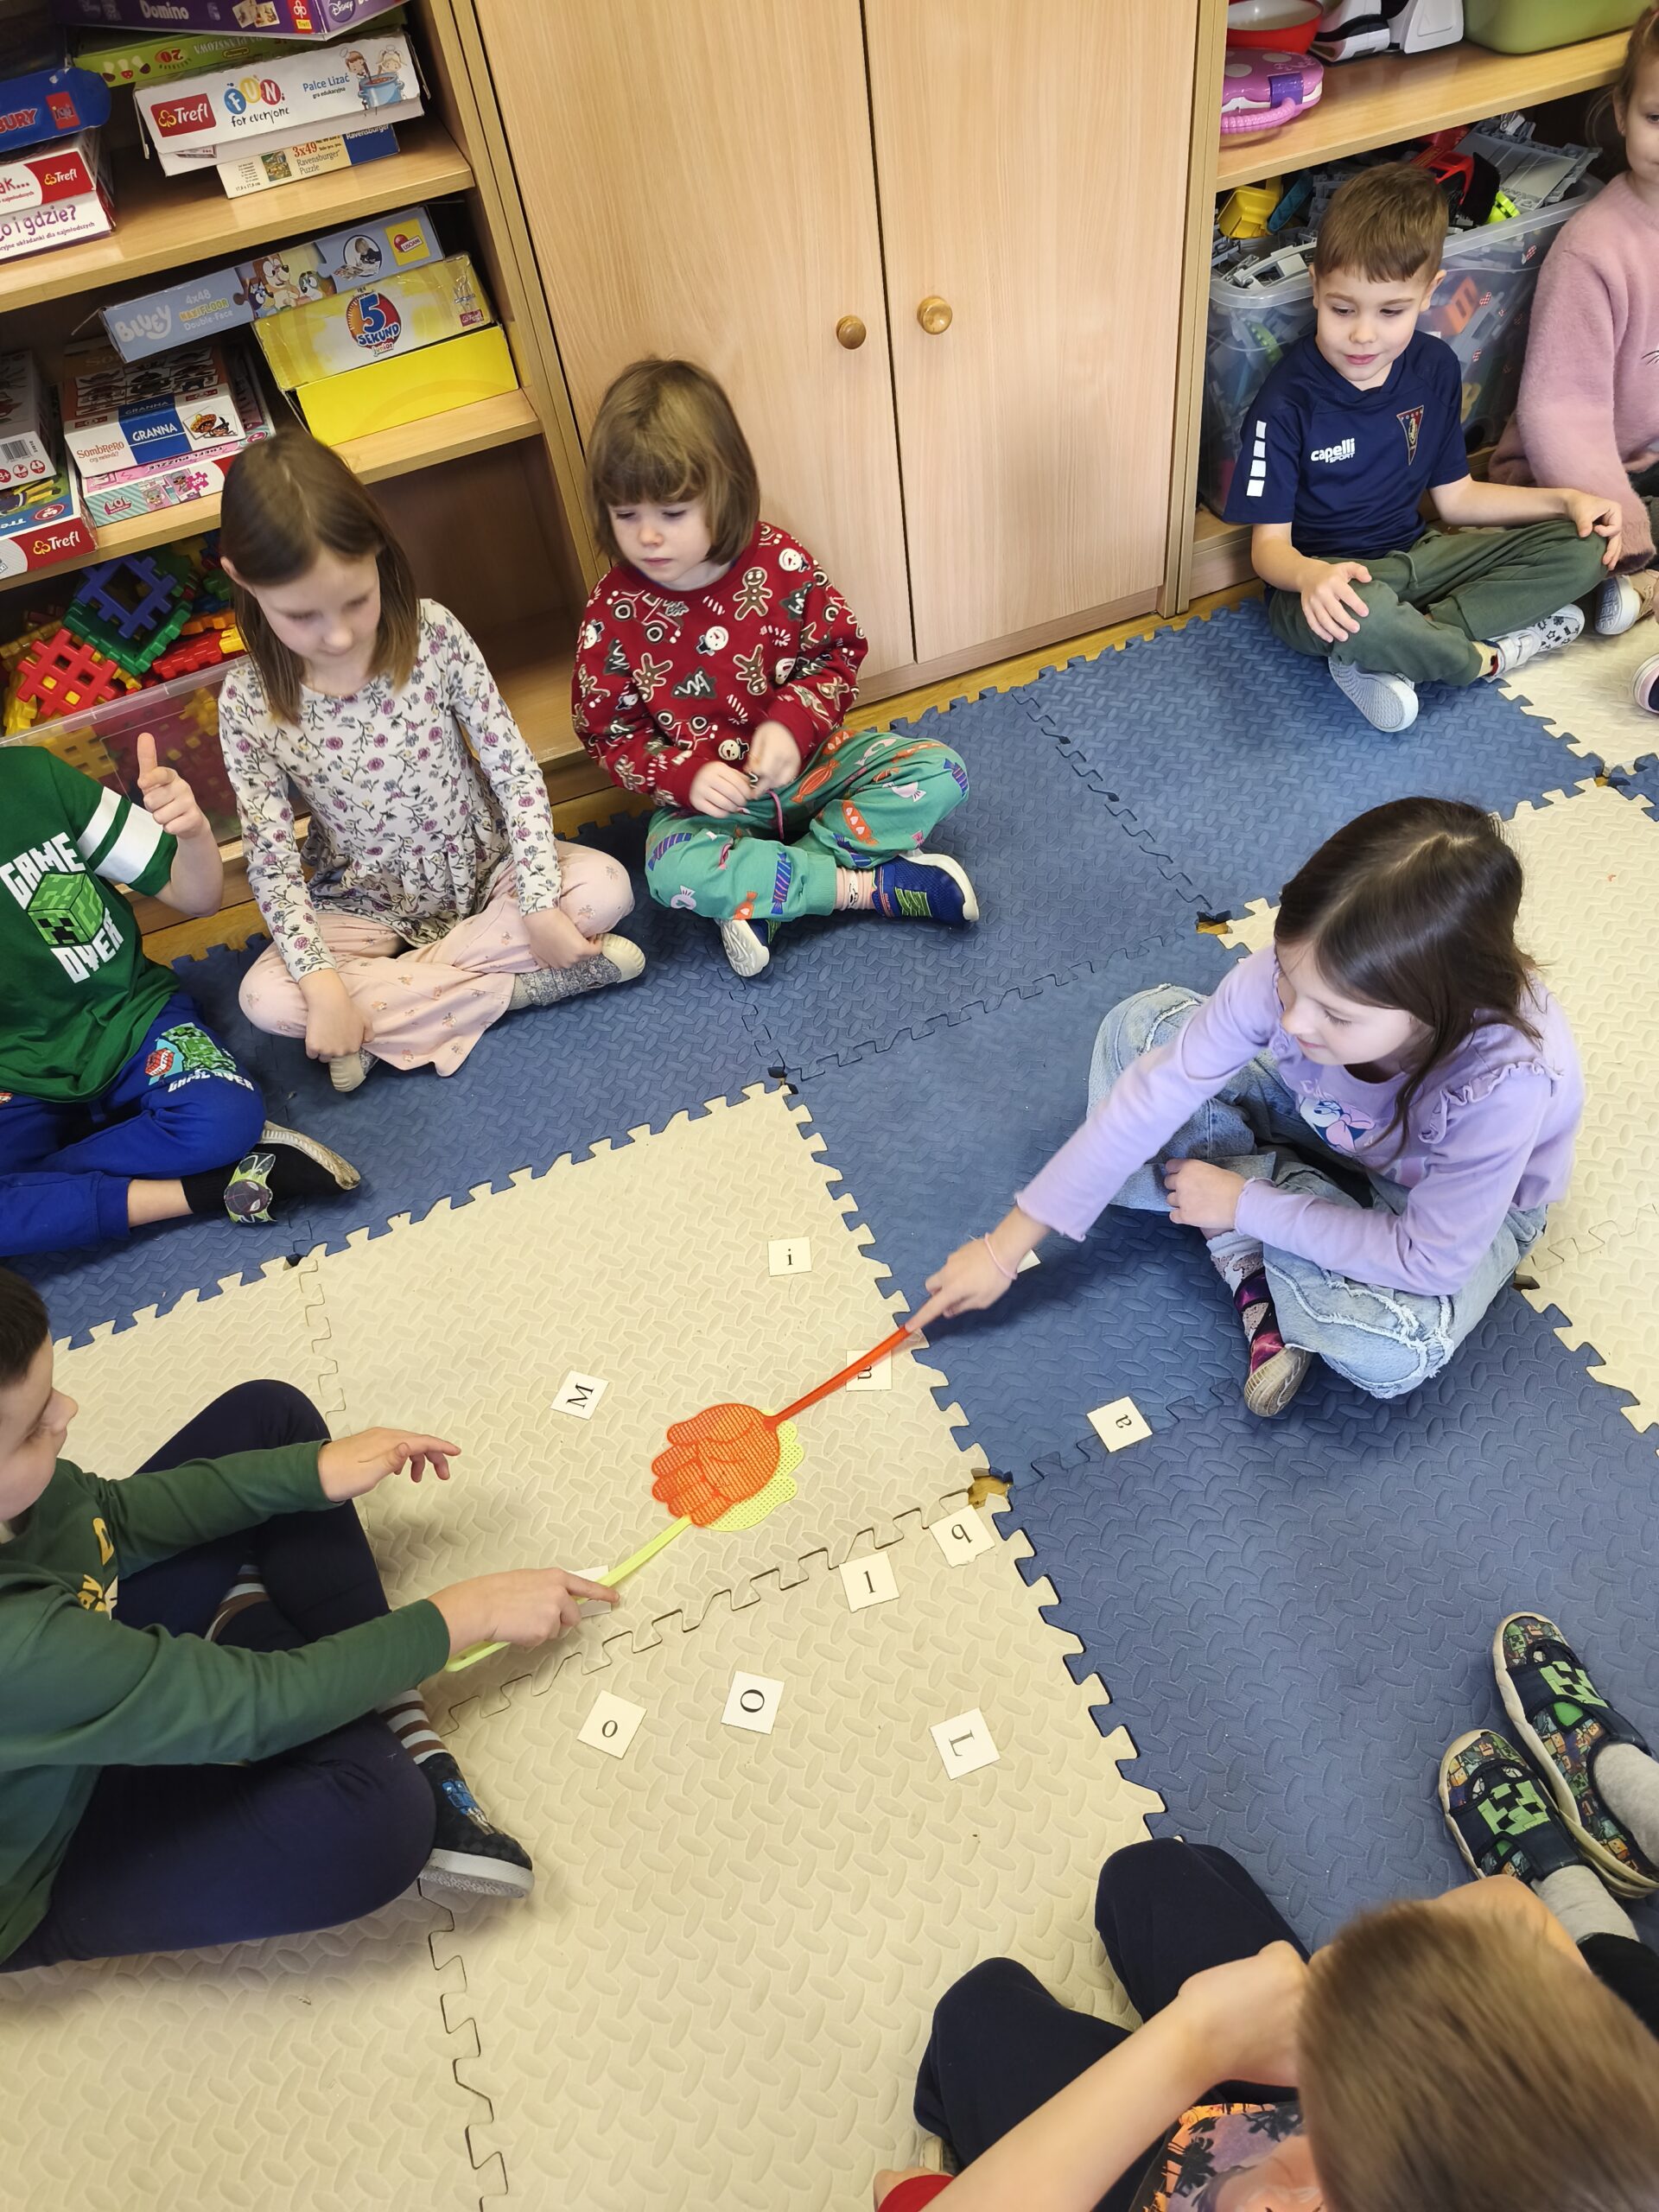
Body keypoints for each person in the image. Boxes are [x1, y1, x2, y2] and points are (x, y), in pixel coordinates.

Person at [0, 1266, 618, 1969]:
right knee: (378, 1821)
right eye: (34, 1427)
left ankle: (342, 1679)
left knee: (273, 1420)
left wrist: (312, 1473)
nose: (67, 1411)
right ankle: (325, 1675)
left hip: (79, 1665)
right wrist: (460, 1617)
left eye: (53, 1389)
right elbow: (260, 1707)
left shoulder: (24, 1508)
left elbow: (108, 1517)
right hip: (45, 1860)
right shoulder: (20, 1648)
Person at [913, 798, 1580, 1417]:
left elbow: (1429, 1261)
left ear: (1438, 1007)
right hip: (1331, 1120)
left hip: (1450, 1211)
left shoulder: (1504, 1084)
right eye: (1287, 979)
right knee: (1139, 1029)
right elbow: (1155, 1092)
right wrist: (1002, 1250)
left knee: (1389, 1349)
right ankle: (1271, 1220)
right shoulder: (1306, 979)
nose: (1292, 1021)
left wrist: (1245, 1206)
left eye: (1336, 1015)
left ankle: (1245, 1220)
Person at [874, 1781, 1659, 2209]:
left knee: (974, 2015)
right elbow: (1510, 1913)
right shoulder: (1601, 2152)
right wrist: (1343, 2002)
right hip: (1289, 2094)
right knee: (1151, 1876)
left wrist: (1196, 2040)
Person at [217, 431, 640, 1095]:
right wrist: (324, 988)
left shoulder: (434, 632)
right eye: (301, 615)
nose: (338, 635)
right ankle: (517, 989)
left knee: (606, 888)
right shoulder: (247, 698)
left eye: (355, 600)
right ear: (242, 578)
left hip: (485, 866)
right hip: (361, 901)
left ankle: (383, 1020)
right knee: (268, 999)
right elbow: (271, 862)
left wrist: (536, 903)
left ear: (377, 549)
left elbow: (512, 769)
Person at [570, 357, 976, 980]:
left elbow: (838, 653)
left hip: (814, 770)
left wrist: (790, 724)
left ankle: (770, 897)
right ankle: (865, 888)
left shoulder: (778, 560)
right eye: (626, 516)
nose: (648, 537)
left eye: (672, 514)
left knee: (942, 771)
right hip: (713, 811)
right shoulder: (613, 609)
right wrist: (684, 775)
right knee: (667, 871)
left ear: (723, 491)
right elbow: (607, 732)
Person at [1224, 162, 1619, 734]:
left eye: (1391, 312)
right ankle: (1479, 658)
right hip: (1325, 583)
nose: (1363, 335)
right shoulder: (1286, 402)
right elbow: (1268, 551)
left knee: (1587, 546)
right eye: (1342, 309)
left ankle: (1407, 645)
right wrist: (1310, 578)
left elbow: (1457, 500)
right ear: (1315, 286)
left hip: (1421, 557)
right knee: (1364, 618)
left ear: (1430, 292)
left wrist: (1566, 501)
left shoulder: (1434, 366)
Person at [0, 740, 356, 1260]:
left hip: (132, 1018)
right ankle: (208, 1190)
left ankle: (42, 1187)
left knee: (223, 1120)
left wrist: (192, 835)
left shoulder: (31, 776)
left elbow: (196, 896)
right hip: (16, 1079)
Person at [1489, 4, 1659, 710]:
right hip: (1576, 481)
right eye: (1657, 117)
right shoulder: (1594, 249)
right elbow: (1560, 412)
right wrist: (1627, 524)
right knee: (1577, 548)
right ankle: (1626, 582)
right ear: (1620, 113)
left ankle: (1636, 594)